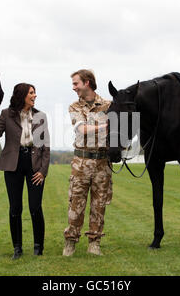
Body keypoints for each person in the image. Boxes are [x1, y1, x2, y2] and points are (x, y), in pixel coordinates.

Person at [0, 83, 50, 259]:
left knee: (35, 207)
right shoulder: (7, 114)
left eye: (35, 93)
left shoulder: (41, 116)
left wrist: (43, 171)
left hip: (34, 164)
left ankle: (38, 247)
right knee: (15, 208)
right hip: (13, 164)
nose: (35, 96)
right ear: (22, 95)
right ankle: (17, 249)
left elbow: (45, 147)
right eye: (31, 93)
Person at [63, 69, 113, 256]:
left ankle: (94, 243)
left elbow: (119, 132)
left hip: (103, 163)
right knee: (76, 205)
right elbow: (82, 129)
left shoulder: (109, 106)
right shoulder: (74, 107)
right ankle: (70, 242)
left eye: (76, 83)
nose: (74, 87)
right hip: (81, 162)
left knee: (99, 206)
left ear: (87, 83)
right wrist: (107, 125)